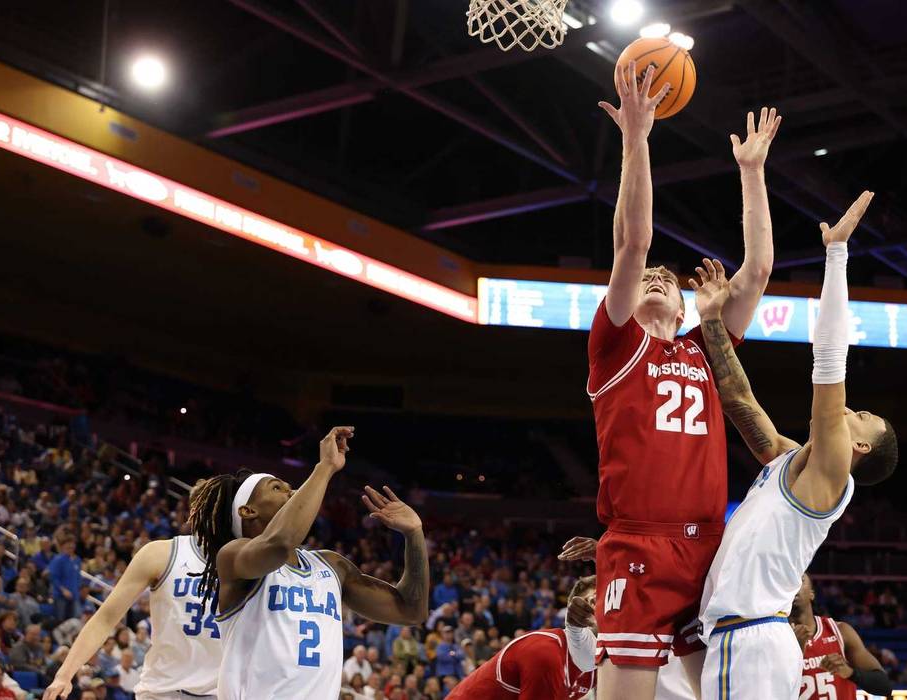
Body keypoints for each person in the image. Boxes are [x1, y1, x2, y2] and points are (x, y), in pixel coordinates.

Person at [586, 57, 782, 698]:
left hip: (711, 546)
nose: (656, 278)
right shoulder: (617, 346)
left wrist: (751, 174)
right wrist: (636, 140)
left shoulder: (708, 347)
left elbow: (756, 272)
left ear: (682, 306)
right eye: (648, 279)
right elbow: (633, 243)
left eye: (668, 281)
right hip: (640, 546)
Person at [688, 192, 898, 699]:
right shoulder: (794, 463)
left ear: (861, 450)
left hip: (752, 637)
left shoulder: (831, 474)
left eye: (863, 418)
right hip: (745, 636)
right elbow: (739, 400)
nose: (854, 410)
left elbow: (828, 360)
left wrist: (837, 254)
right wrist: (712, 319)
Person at [186, 427, 429, 699]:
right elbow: (279, 543)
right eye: (277, 488)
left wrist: (414, 534)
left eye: (293, 488)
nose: (293, 494)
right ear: (248, 510)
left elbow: (411, 611)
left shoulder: (331, 566)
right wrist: (325, 467)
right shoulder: (233, 558)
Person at [43, 536, 222, 699]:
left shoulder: (247, 566)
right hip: (162, 691)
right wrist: (64, 674)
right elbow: (105, 619)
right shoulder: (162, 553)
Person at [446, 576, 597, 699]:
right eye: (592, 602)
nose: (602, 611)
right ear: (572, 610)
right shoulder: (544, 650)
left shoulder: (595, 669)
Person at [792, 575, 893, 699]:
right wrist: (795, 654)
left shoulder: (840, 631)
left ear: (812, 594)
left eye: (800, 580)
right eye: (789, 581)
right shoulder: (775, 639)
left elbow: (885, 686)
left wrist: (849, 672)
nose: (794, 585)